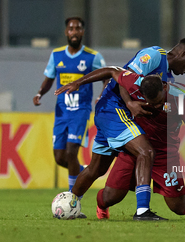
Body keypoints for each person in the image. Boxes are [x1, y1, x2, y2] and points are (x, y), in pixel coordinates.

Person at [55, 38, 185, 220]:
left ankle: (70, 202)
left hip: (107, 112)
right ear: (183, 54)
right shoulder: (155, 56)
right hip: (115, 108)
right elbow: (119, 74)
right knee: (146, 151)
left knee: (96, 168)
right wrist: (128, 102)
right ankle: (142, 211)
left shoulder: (167, 78)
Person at [93, 68, 185, 221]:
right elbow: (117, 76)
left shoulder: (180, 99)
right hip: (135, 147)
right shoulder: (136, 84)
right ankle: (102, 208)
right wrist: (128, 102)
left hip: (164, 155)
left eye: (158, 101)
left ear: (164, 87)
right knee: (110, 197)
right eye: (150, 102)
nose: (155, 106)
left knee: (178, 207)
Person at [33, 17, 108, 218]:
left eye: (78, 28)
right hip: (61, 113)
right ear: (66, 32)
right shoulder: (56, 55)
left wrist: (102, 94)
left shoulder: (93, 56)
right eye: (71, 28)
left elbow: (107, 76)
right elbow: (49, 78)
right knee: (60, 157)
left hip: (80, 111)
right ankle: (83, 172)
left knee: (71, 151)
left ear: (83, 32)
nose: (74, 31)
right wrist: (40, 93)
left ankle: (73, 201)